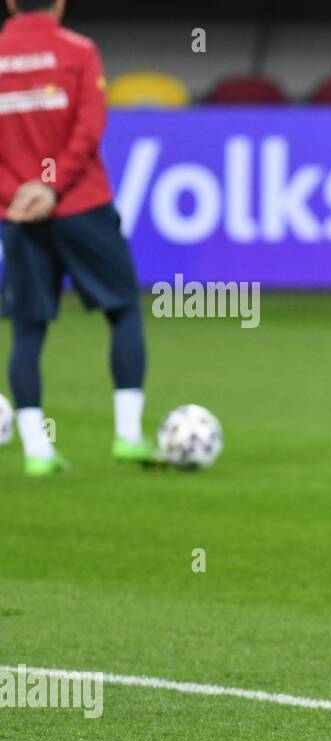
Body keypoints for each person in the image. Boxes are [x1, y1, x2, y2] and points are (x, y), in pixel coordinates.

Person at [0, 0, 154, 475]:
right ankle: (128, 436)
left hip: (19, 211)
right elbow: (89, 128)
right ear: (60, 2)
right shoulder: (78, 50)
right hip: (81, 203)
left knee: (28, 326)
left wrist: (18, 192)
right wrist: (53, 184)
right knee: (122, 308)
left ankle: (37, 452)